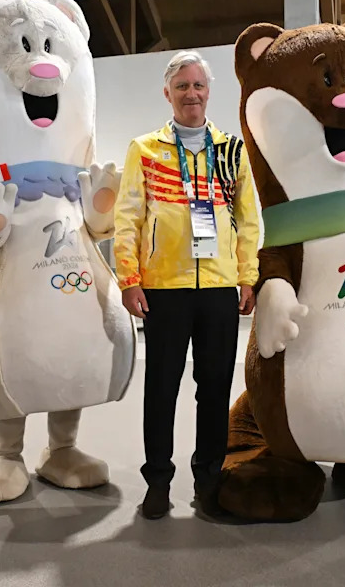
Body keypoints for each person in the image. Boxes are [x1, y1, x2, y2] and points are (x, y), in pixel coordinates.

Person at [113, 50, 260, 520]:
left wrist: (247, 277)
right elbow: (128, 218)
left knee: (214, 388)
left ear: (209, 91)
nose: (191, 94)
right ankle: (158, 479)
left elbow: (249, 221)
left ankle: (209, 478)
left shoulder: (233, 149)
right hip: (163, 288)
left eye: (198, 85)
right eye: (182, 87)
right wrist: (130, 279)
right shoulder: (145, 149)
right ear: (168, 94)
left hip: (218, 288)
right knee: (162, 388)